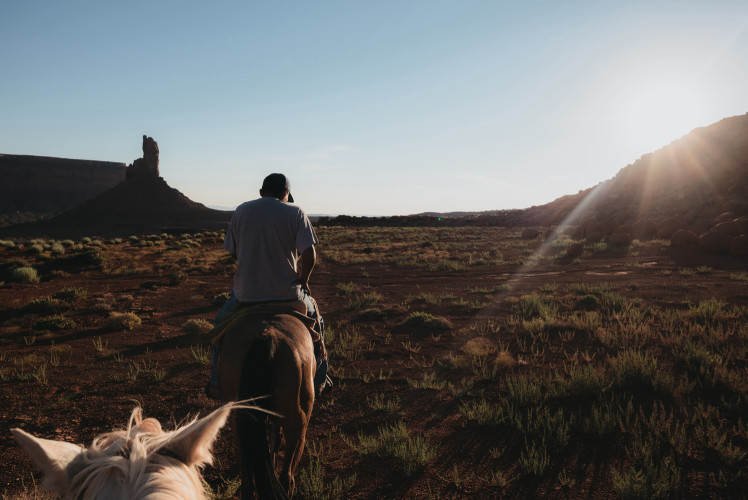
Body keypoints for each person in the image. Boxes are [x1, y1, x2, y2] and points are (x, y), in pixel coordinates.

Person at [206, 173, 330, 398]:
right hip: (287, 295)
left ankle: (216, 381)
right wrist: (304, 281)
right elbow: (310, 254)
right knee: (318, 323)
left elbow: (235, 253)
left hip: (245, 296)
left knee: (220, 326)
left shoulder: (241, 211)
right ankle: (320, 379)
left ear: (261, 192)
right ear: (285, 193)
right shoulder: (295, 212)